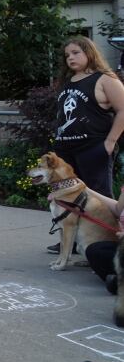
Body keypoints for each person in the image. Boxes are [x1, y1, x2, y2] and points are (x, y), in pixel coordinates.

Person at [49, 36, 124, 252]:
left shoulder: (105, 79)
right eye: (67, 55)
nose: (70, 58)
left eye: (75, 52)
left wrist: (109, 143)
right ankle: (69, 242)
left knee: (98, 197)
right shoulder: (67, 82)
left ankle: (105, 243)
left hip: (93, 148)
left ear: (89, 52)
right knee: (66, 197)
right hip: (65, 152)